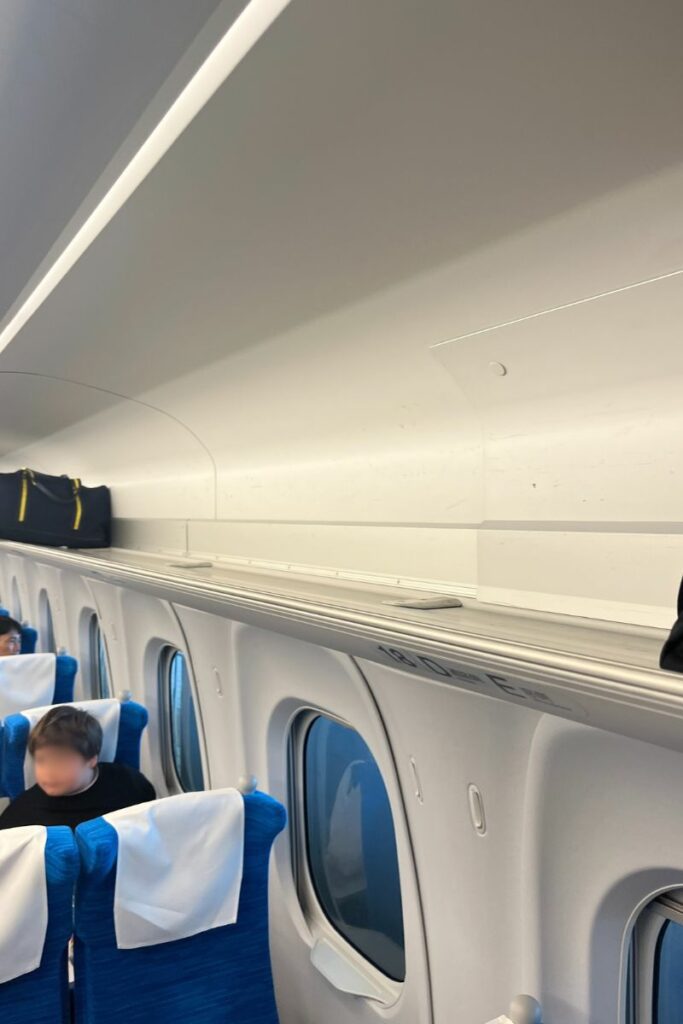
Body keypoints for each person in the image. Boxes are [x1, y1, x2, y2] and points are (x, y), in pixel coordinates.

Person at [0, 705, 155, 830]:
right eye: (41, 761)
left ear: (92, 759)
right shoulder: (20, 815)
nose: (48, 772)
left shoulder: (128, 782)